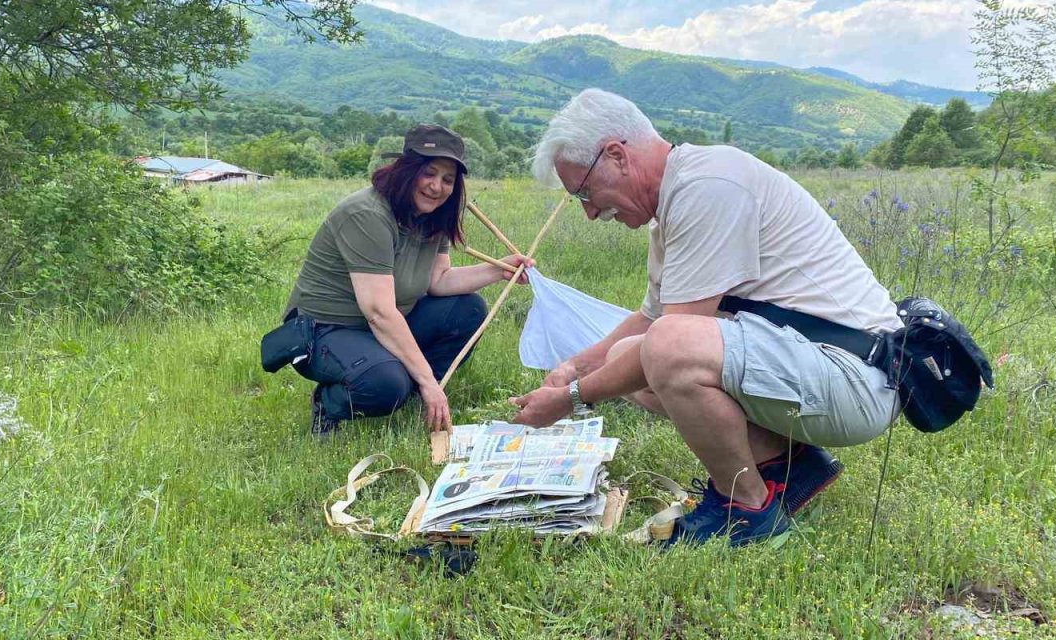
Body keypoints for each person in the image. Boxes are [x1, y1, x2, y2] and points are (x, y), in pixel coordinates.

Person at [510, 89, 901, 547]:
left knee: (667, 350)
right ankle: (787, 464)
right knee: (627, 354)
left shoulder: (709, 185)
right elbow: (648, 320)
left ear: (616, 156)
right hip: (817, 366)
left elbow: (671, 342)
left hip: (855, 379)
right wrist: (573, 368)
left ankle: (748, 509)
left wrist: (573, 398)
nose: (591, 212)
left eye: (585, 192)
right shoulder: (676, 200)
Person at [284, 124, 531, 434]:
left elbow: (439, 281)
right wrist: (428, 379)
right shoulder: (367, 214)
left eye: (448, 180)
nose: (437, 187)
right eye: (429, 173)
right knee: (385, 384)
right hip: (322, 331)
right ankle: (330, 402)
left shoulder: (432, 216)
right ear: (405, 169)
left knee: (467, 309)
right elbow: (378, 312)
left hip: (376, 328)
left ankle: (417, 396)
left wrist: (499, 270)